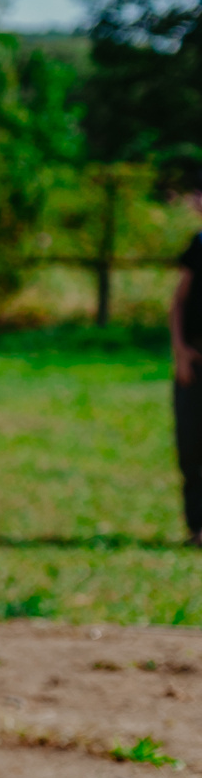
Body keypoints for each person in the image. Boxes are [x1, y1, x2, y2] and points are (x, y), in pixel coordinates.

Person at [174, 227, 202, 546]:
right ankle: (198, 525)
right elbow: (178, 300)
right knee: (191, 443)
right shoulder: (200, 243)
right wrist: (180, 351)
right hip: (196, 359)